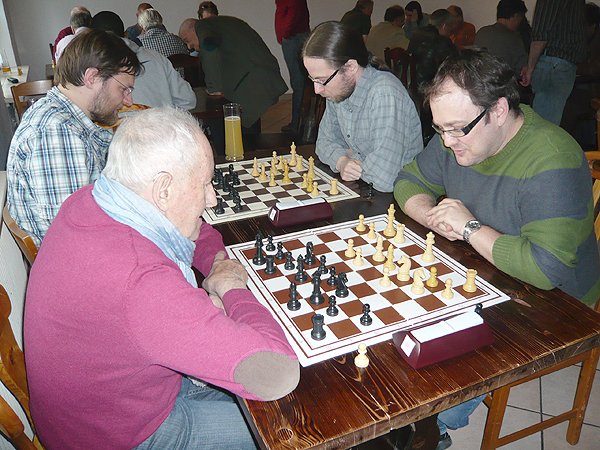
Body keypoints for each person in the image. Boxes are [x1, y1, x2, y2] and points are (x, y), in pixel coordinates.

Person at [24, 107, 300, 449]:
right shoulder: (140, 282)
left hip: (114, 401)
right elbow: (276, 373)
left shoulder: (94, 200)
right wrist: (232, 287)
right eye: (204, 184)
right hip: (119, 436)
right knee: (292, 428)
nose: (212, 198)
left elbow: (197, 231)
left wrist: (217, 264)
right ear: (164, 189)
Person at [395, 49, 600, 305]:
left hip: (560, 308)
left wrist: (469, 228)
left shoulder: (554, 159)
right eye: (440, 128)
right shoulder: (455, 137)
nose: (447, 141)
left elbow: (546, 270)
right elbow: (409, 181)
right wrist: (431, 217)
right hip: (485, 273)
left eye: (457, 128)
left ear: (499, 110)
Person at [6, 29, 141, 246]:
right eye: (123, 89)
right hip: (81, 256)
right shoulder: (56, 132)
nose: (128, 101)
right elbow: (75, 239)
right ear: (92, 78)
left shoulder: (63, 116)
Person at [302, 21, 422, 193]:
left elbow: (384, 178)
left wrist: (350, 155)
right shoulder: (338, 89)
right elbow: (322, 144)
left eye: (321, 80)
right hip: (365, 188)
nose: (317, 90)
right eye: (313, 79)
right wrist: (342, 161)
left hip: (399, 195)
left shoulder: (384, 93)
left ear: (350, 67)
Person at [179, 14, 287, 132]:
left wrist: (214, 87)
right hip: (261, 75)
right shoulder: (221, 23)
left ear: (193, 28)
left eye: (187, 40)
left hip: (252, 81)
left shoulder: (202, 25)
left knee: (231, 127)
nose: (189, 46)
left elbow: (210, 48)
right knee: (248, 129)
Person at [92, 11, 196, 110]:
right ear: (125, 35)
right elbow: (188, 100)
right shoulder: (157, 57)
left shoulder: (90, 63)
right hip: (158, 120)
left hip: (117, 122)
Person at [521, 0, 586, 125]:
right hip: (562, 62)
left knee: (543, 126)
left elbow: (541, 33)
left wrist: (530, 68)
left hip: (552, 62)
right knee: (548, 125)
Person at [275, 0, 310, 134]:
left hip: (293, 37)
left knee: (298, 83)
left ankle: (297, 125)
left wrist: (284, 33)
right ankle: (300, 123)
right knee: (301, 82)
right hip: (296, 35)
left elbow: (293, 13)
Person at [474, 0, 528, 76]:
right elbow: (521, 71)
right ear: (516, 16)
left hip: (478, 79)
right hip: (501, 81)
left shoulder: (481, 32)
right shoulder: (514, 39)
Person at [408, 8, 457, 87]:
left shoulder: (417, 33)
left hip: (411, 82)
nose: (450, 32)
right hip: (428, 86)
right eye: (450, 27)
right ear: (444, 26)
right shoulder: (442, 41)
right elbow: (455, 63)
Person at [137, 8, 190, 78]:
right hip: (181, 83)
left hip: (155, 83)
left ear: (141, 26)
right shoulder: (178, 40)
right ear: (161, 21)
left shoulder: (139, 43)